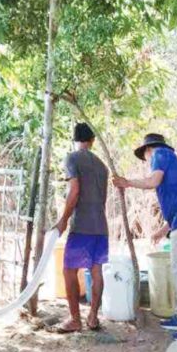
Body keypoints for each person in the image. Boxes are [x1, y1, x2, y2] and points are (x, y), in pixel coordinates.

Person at [113, 133, 177, 339]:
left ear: (148, 150)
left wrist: (127, 182)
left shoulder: (160, 154)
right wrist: (163, 229)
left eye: (145, 156)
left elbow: (153, 181)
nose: (147, 161)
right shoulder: (173, 162)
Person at [53, 122, 109, 333]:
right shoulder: (102, 165)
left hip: (82, 225)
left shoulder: (72, 158)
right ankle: (93, 317)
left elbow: (74, 190)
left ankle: (75, 319)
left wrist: (64, 219)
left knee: (68, 271)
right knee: (96, 270)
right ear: (92, 141)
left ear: (74, 139)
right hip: (100, 225)